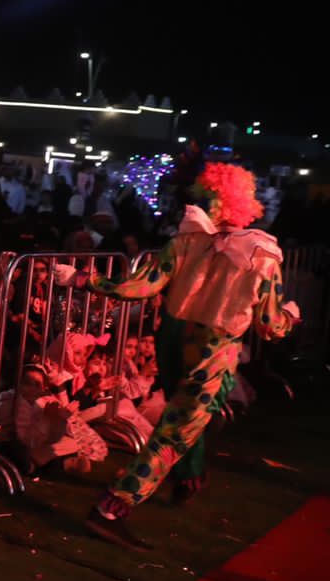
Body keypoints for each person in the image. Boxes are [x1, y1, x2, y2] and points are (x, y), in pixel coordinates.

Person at [73, 163, 299, 549]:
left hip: (176, 338)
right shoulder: (262, 255)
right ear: (246, 202)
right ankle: (111, 508)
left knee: (178, 422)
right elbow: (270, 325)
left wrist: (88, 280)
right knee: (174, 434)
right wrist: (291, 316)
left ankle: (183, 480)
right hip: (215, 351)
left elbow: (141, 286)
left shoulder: (187, 241)